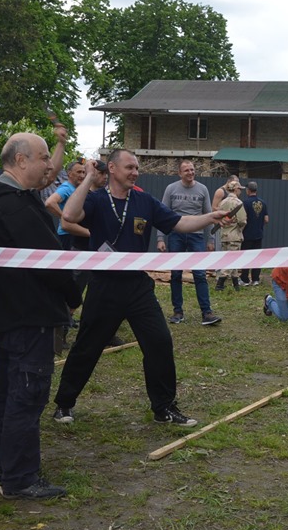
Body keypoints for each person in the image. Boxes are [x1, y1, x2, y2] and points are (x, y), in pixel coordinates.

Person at [51, 149, 227, 426]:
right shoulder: (96, 199)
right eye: (129, 167)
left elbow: (179, 223)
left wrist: (211, 217)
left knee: (159, 342)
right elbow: (70, 216)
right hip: (104, 285)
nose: (135, 172)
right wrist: (88, 178)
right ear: (112, 168)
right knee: (87, 347)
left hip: (137, 286)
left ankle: (164, 408)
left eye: (136, 168)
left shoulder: (145, 201)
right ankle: (64, 403)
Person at [0, 132, 81, 500]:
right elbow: (48, 260)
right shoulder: (12, 205)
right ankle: (19, 477)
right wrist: (73, 295)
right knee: (26, 394)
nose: (49, 165)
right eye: (44, 157)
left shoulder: (1, 198)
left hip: (10, 311)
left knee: (6, 390)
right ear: (20, 161)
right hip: (27, 313)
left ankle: (4, 464)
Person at [157, 159, 221, 325]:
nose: (190, 173)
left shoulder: (202, 189)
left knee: (200, 274)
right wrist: (160, 238)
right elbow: (162, 215)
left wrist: (211, 239)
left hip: (196, 236)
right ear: (180, 173)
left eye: (192, 170)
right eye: (186, 170)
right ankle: (178, 312)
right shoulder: (171, 189)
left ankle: (207, 313)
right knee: (176, 274)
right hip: (176, 235)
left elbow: (209, 216)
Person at [44, 160, 86, 250]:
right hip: (66, 235)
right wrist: (64, 217)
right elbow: (50, 202)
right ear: (69, 174)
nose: (82, 176)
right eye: (79, 172)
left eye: (83, 172)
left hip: (74, 233)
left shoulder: (76, 189)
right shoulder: (66, 188)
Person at [214, 181, 246, 291]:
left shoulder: (222, 203)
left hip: (224, 234)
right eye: (239, 189)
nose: (240, 191)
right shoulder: (238, 203)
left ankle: (236, 284)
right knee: (231, 260)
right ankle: (220, 284)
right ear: (236, 189)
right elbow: (242, 220)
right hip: (235, 234)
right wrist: (240, 228)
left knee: (229, 258)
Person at [239, 181, 269, 286]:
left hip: (247, 234)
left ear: (248, 190)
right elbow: (266, 219)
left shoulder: (245, 203)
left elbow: (242, 219)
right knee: (257, 257)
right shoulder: (263, 203)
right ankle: (255, 279)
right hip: (258, 234)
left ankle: (245, 279)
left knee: (245, 257)